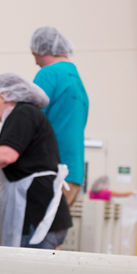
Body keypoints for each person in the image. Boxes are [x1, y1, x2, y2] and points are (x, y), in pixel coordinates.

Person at [0, 73, 72, 249]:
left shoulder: (22, 113)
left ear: (5, 96)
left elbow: (4, 156)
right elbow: (10, 166)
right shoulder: (26, 115)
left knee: (32, 272)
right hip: (41, 212)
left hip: (37, 213)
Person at [31, 27, 89, 207]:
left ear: (41, 50)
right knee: (54, 233)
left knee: (38, 233)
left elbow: (27, 120)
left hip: (52, 173)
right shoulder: (77, 82)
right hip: (74, 173)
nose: (35, 62)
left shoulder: (49, 74)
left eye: (34, 55)